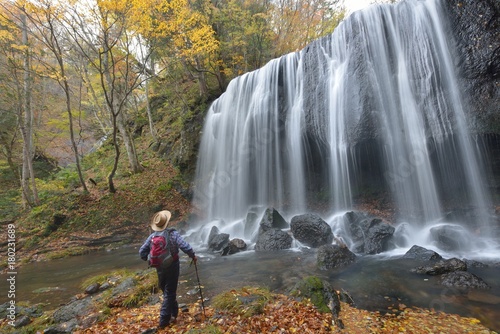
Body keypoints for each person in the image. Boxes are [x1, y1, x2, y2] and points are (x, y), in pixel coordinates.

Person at [139, 210, 197, 329]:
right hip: (172, 265)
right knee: (169, 291)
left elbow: (141, 252)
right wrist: (193, 256)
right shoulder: (172, 234)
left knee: (167, 290)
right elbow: (184, 246)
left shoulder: (152, 236)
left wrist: (148, 258)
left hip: (158, 267)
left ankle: (174, 313)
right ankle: (163, 320)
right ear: (167, 222)